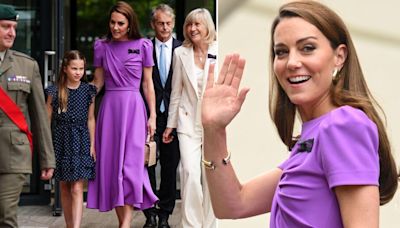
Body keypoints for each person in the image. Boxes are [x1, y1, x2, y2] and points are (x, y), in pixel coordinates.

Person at [201, 1, 399, 227]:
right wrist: (213, 129)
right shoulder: (313, 140)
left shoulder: (343, 125)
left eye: (307, 48)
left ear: (339, 57)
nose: (292, 62)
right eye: (281, 52)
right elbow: (234, 204)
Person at [86, 1, 158, 228]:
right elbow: (97, 83)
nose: (115, 27)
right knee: (112, 167)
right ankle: (123, 223)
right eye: (112, 22)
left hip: (134, 110)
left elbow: (148, 84)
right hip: (110, 111)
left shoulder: (144, 45)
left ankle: (125, 224)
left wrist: (153, 115)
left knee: (131, 167)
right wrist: (76, 94)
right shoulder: (101, 46)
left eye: (120, 23)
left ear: (129, 25)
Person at [0, 4, 55, 228]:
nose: (12, 32)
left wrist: (47, 159)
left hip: (14, 154)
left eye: (14, 27)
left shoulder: (27, 65)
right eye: (5, 27)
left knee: (5, 215)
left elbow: (40, 117)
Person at [162, 8, 217, 228]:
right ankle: (192, 225)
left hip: (213, 124)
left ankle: (211, 224)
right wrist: (170, 125)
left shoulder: (219, 50)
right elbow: (176, 92)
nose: (192, 28)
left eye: (197, 24)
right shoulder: (180, 53)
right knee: (190, 173)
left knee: (212, 176)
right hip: (187, 122)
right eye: (189, 25)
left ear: (207, 27)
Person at [45, 50, 96, 228]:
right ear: (65, 68)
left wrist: (93, 143)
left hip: (81, 140)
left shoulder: (88, 91)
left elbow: (91, 118)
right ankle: (69, 225)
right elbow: (46, 120)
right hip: (60, 141)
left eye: (81, 68)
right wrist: (47, 147)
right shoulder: (55, 91)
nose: (78, 72)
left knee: (76, 186)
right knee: (64, 186)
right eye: (74, 68)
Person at [142, 4, 181, 228]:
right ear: (153, 24)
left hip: (174, 118)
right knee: (147, 164)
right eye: (160, 23)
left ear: (173, 23)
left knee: (169, 166)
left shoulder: (182, 49)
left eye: (168, 23)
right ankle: (150, 214)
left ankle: (165, 213)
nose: (164, 27)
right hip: (149, 116)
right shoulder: (144, 47)